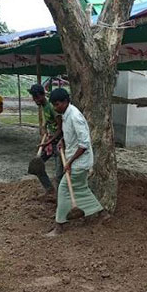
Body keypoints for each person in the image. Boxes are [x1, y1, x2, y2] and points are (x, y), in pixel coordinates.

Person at [47, 88, 107, 237]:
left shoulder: (75, 116)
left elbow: (84, 144)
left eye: (57, 104)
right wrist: (63, 140)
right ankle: (102, 213)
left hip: (80, 162)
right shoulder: (66, 114)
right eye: (54, 105)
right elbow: (71, 135)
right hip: (75, 160)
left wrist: (69, 162)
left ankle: (59, 226)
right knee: (81, 189)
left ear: (66, 101)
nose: (55, 107)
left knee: (63, 190)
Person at [29, 84, 64, 197]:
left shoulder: (52, 107)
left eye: (37, 97)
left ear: (43, 95)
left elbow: (60, 129)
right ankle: (49, 189)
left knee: (59, 175)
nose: (35, 100)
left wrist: (49, 142)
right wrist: (45, 129)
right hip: (51, 140)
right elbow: (49, 123)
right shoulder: (44, 107)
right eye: (34, 98)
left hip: (60, 143)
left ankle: (60, 200)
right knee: (37, 166)